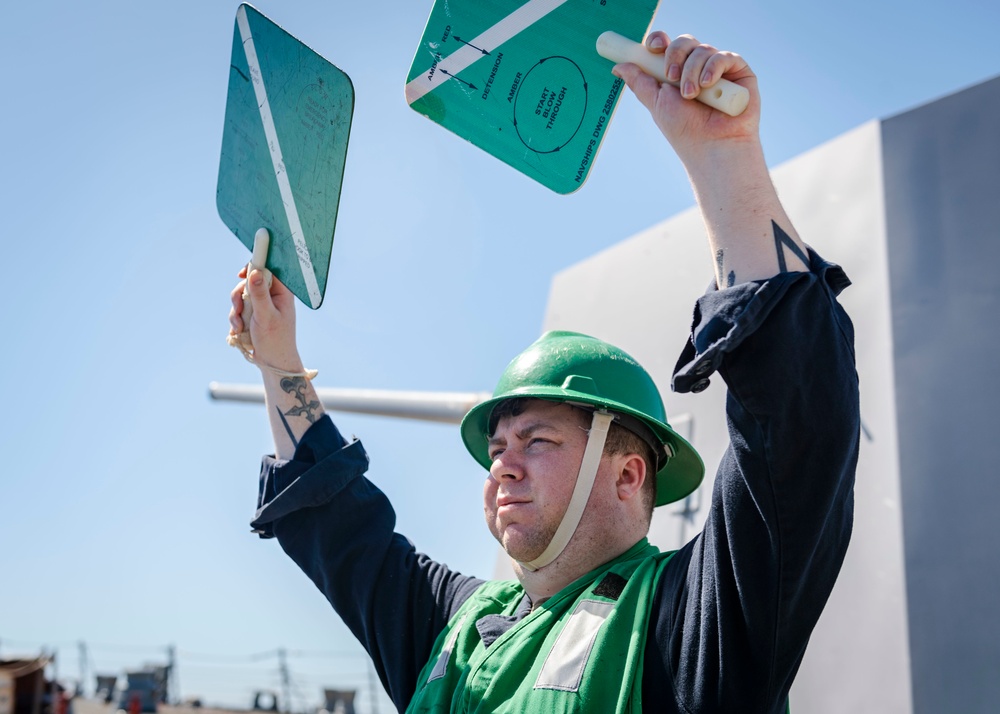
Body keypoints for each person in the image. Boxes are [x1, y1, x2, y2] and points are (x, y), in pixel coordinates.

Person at [228, 31, 859, 713]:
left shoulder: (686, 629)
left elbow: (798, 430)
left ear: (627, 474)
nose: (502, 465)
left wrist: (725, 160)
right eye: (498, 448)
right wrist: (277, 363)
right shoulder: (454, 633)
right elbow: (341, 531)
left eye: (536, 442)